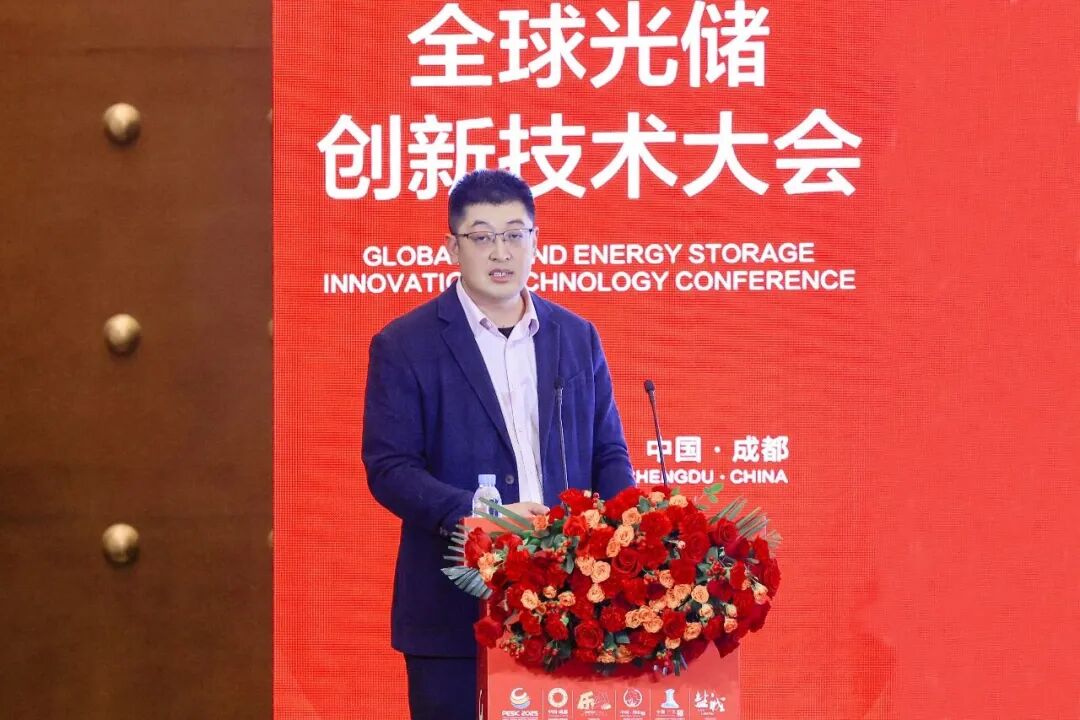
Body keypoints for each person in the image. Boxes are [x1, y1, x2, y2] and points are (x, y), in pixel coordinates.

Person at [362, 169, 634, 720]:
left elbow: (608, 454)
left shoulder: (576, 336)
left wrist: (629, 537)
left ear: (536, 241)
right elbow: (390, 468)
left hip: (573, 605)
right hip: (454, 613)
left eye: (514, 234)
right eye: (482, 236)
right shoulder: (404, 344)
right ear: (452, 248)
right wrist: (479, 514)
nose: (501, 251)